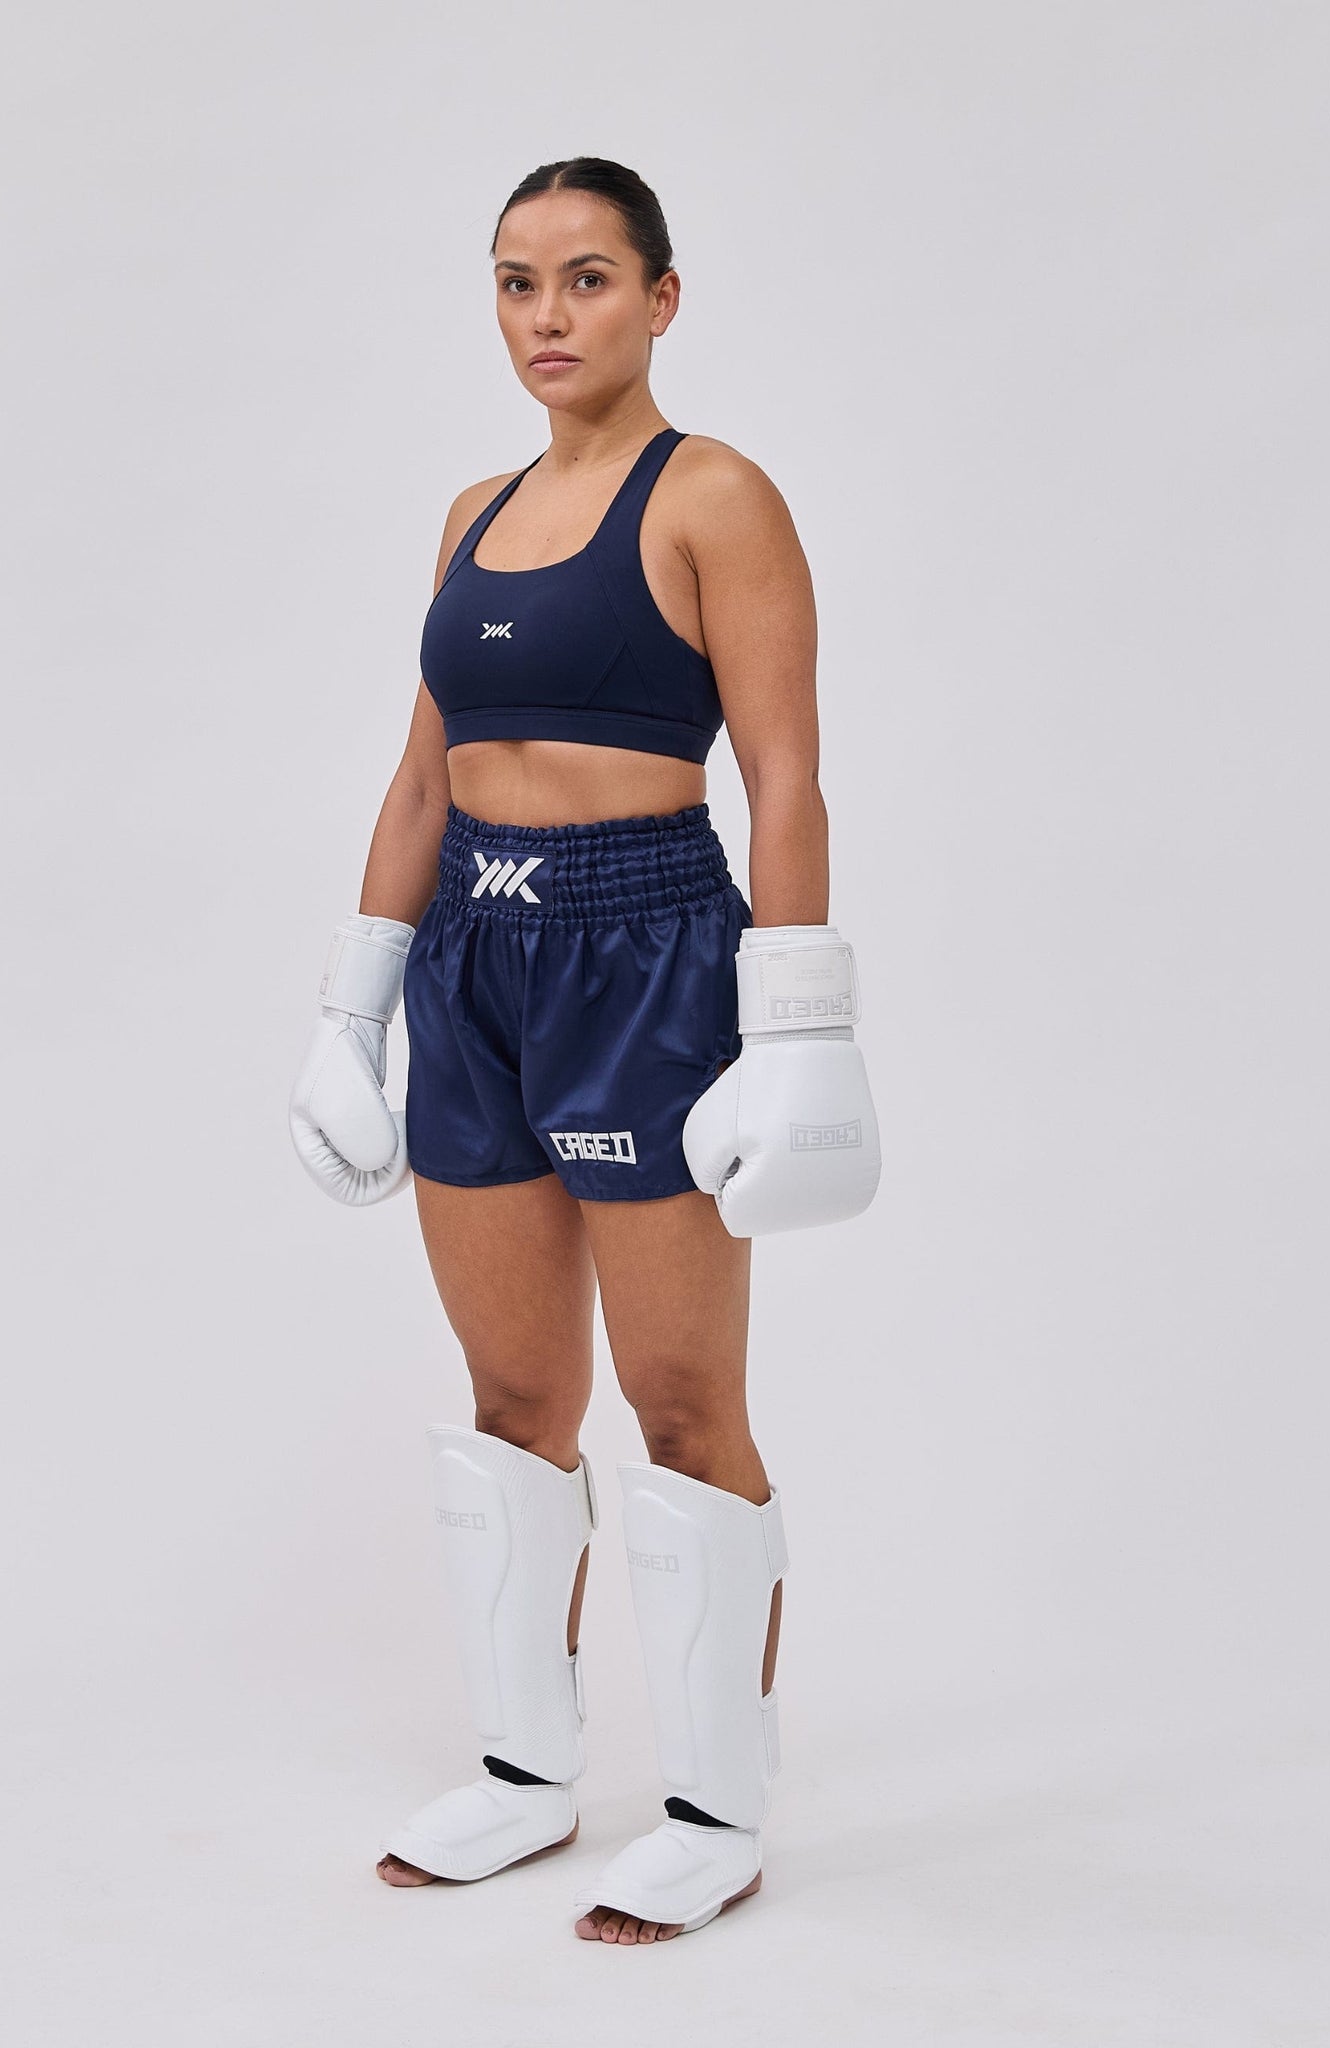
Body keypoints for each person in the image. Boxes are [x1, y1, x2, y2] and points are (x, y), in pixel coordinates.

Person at [288, 156, 881, 1946]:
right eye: (515, 281)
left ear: (660, 298)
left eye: (588, 279)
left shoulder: (714, 495)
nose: (547, 316)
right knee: (510, 1404)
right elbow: (421, 779)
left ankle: (714, 1809)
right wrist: (351, 1012)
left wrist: (800, 1028)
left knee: (682, 1404)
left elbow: (783, 770)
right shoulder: (470, 513)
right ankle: (524, 1772)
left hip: (647, 956)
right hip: (474, 962)